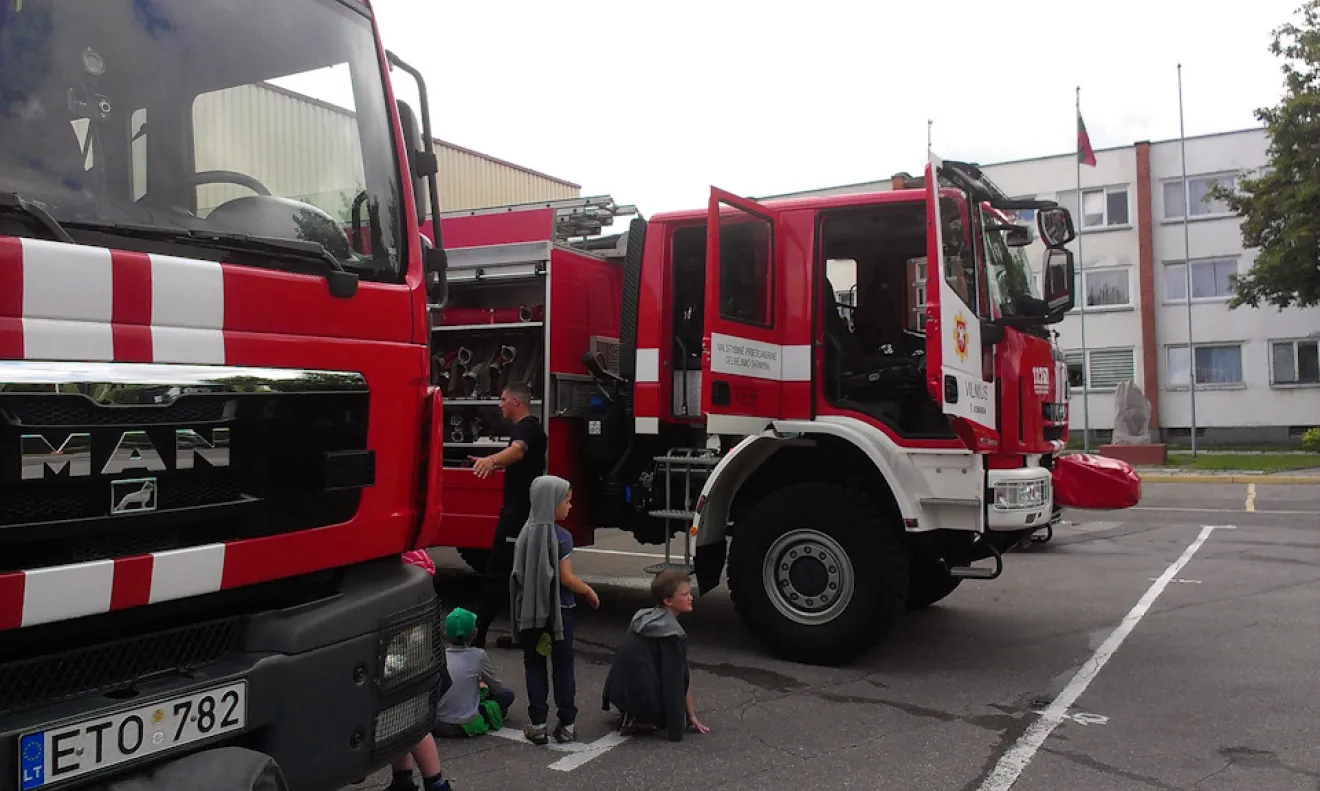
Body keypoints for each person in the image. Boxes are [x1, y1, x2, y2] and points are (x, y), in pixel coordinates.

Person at [509, 475, 599, 745]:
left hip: (531, 613)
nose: (569, 507)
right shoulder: (561, 537)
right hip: (560, 613)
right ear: (551, 503)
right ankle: (567, 725)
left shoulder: (524, 533)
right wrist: (588, 591)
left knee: (534, 664)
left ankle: (538, 725)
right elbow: (565, 577)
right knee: (563, 666)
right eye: (567, 501)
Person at [469, 381, 547, 650]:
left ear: (516, 401)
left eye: (503, 399)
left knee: (497, 572)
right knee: (523, 575)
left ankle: (478, 634)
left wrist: (491, 460)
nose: (499, 404)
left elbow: (518, 450)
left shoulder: (526, 428)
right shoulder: (529, 427)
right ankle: (526, 636)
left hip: (518, 516)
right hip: (525, 513)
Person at [601, 569, 710, 741]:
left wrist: (690, 713)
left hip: (618, 693)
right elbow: (675, 681)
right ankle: (640, 719)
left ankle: (632, 714)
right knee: (665, 706)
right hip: (639, 696)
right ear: (668, 601)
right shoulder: (671, 634)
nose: (691, 597)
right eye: (685, 594)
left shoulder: (642, 616)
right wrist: (677, 728)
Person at [433, 607, 517, 738]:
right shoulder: (478, 655)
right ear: (475, 633)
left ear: (445, 634)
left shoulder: (439, 656)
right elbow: (497, 688)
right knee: (507, 695)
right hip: (462, 725)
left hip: (437, 723)